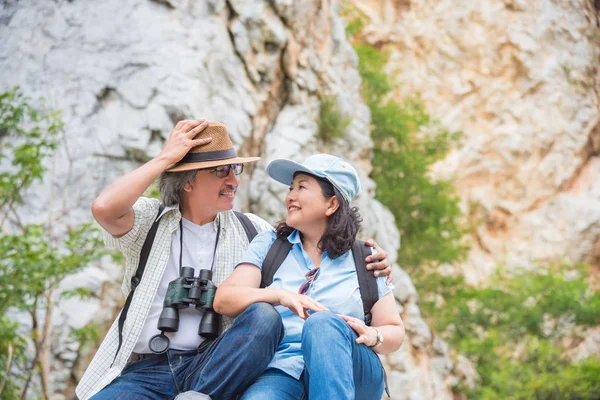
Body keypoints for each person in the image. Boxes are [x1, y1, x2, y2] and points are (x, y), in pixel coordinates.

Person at [76, 120, 392, 400]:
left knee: (263, 316)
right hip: (148, 368)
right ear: (188, 181)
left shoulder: (253, 230)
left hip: (214, 365)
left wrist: (366, 254)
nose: (234, 181)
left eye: (235, 169)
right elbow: (104, 209)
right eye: (220, 171)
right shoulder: (150, 223)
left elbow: (310, 240)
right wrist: (164, 159)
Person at [214, 154, 405, 400]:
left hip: (352, 369)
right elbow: (224, 300)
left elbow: (394, 331)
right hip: (284, 370)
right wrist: (280, 296)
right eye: (290, 188)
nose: (290, 196)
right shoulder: (270, 245)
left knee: (322, 324)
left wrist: (373, 335)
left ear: (331, 204)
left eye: (302, 187)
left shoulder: (366, 258)